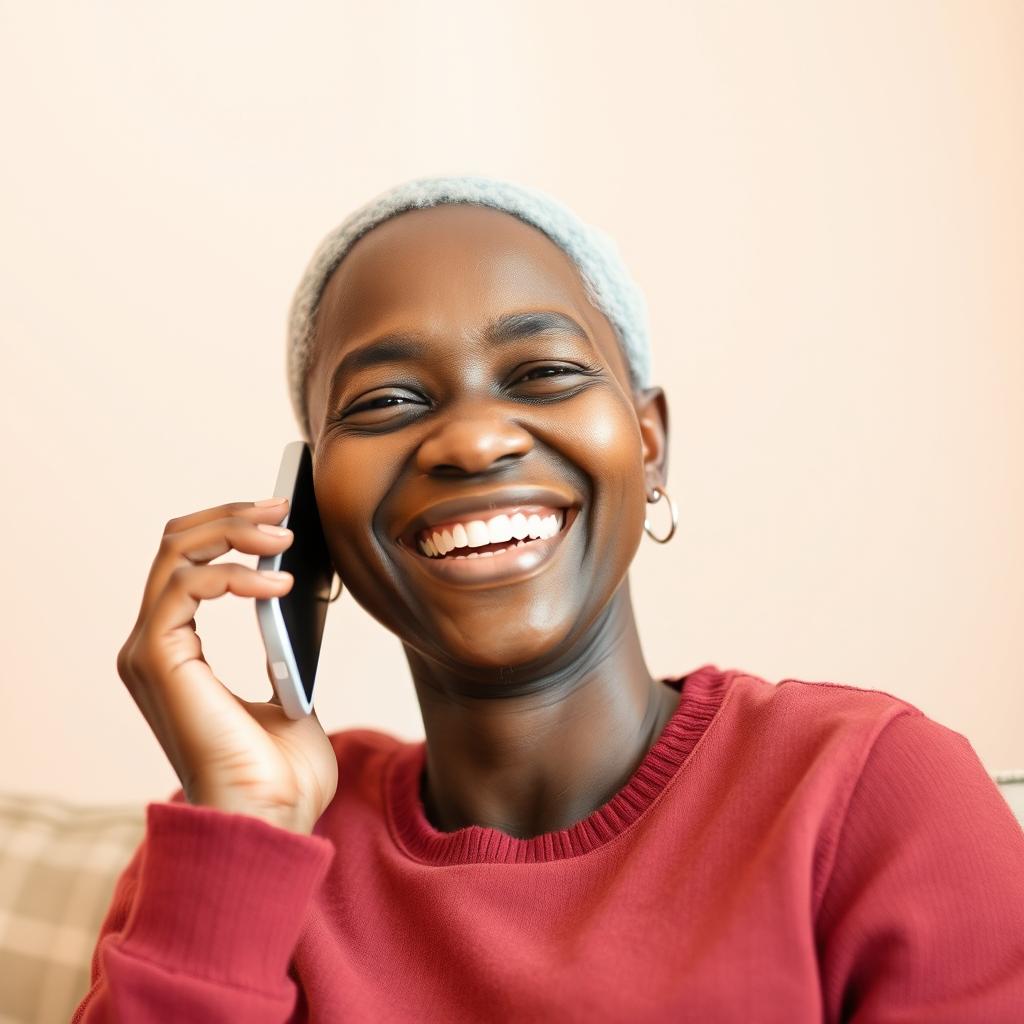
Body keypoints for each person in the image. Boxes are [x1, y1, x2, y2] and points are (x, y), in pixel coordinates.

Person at [73, 176, 1024, 1022]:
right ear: (312, 507)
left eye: (545, 374)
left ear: (648, 442)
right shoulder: (243, 838)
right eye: (387, 401)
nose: (476, 440)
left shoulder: (872, 791)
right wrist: (244, 828)